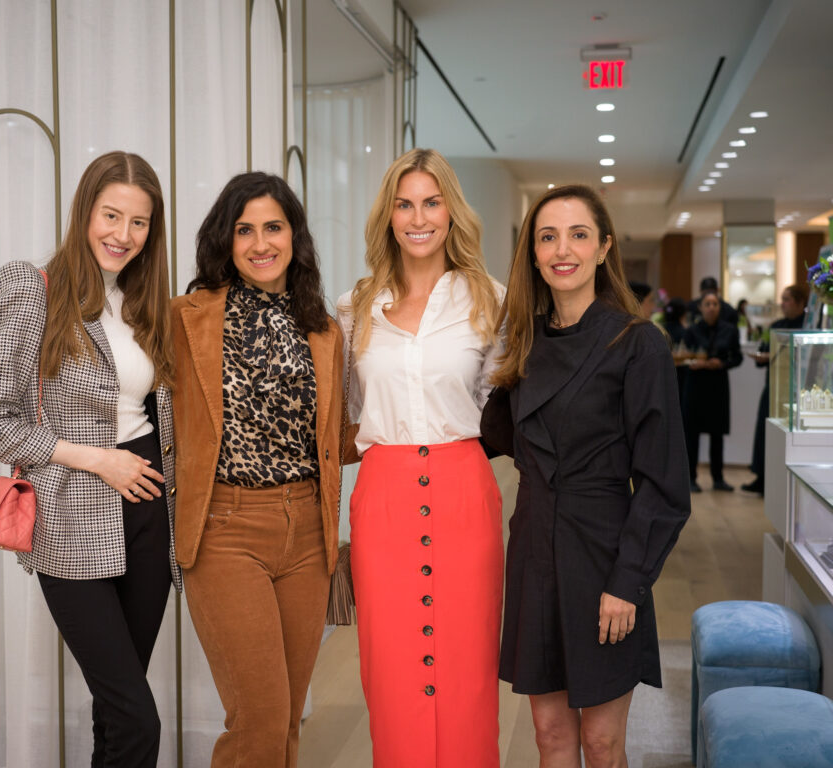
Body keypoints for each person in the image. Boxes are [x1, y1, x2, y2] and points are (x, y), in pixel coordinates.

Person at [0, 151, 179, 767]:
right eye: (111, 215)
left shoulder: (141, 302)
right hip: (70, 518)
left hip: (150, 514)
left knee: (116, 711)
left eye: (139, 223)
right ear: (84, 211)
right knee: (140, 721)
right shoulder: (30, 288)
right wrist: (96, 459)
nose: (123, 235)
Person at [485, 184, 690, 768]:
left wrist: (628, 582)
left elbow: (664, 484)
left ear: (604, 248)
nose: (562, 249)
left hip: (605, 557)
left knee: (601, 743)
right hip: (534, 553)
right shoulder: (522, 344)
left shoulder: (637, 344)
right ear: (532, 253)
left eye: (578, 235)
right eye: (547, 237)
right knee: (550, 738)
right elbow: (492, 435)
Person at [337, 148, 505, 767]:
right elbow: (348, 408)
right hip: (383, 494)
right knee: (390, 666)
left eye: (432, 202)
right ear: (387, 216)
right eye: (404, 204)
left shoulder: (491, 300)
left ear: (452, 212)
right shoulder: (354, 309)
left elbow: (493, 404)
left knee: (467, 661)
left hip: (464, 489)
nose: (418, 217)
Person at [170, 172, 343, 768]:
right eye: (245, 230)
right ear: (226, 239)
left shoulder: (324, 329)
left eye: (274, 226)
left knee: (287, 720)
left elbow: (336, 437)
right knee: (259, 723)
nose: (261, 242)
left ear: (295, 236)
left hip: (309, 535)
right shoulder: (185, 318)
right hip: (225, 528)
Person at [742, 284, 808, 494]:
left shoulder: (808, 325)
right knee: (764, 433)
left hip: (797, 389)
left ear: (800, 303)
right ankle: (761, 477)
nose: (783, 303)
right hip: (773, 387)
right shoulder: (777, 325)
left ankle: (782, 481)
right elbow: (763, 354)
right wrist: (762, 357)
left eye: (787, 299)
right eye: (782, 299)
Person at [683, 290, 743, 492]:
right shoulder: (691, 330)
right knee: (692, 434)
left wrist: (722, 363)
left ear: (720, 307)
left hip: (718, 385)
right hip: (696, 386)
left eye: (715, 304)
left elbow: (737, 358)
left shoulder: (729, 330)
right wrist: (695, 362)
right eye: (707, 304)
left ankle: (718, 478)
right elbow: (683, 356)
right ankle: (690, 478)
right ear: (700, 307)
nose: (711, 307)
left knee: (717, 434)